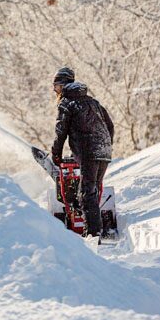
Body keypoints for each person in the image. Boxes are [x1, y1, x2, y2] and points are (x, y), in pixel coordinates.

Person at [50, 67, 115, 240]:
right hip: (104, 151)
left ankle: (93, 233)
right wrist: (106, 145)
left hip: (89, 152)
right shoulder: (93, 102)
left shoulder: (67, 103)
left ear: (64, 85)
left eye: (56, 86)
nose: (54, 90)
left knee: (87, 192)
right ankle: (95, 227)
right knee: (93, 190)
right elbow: (110, 126)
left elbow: (60, 132)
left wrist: (56, 154)